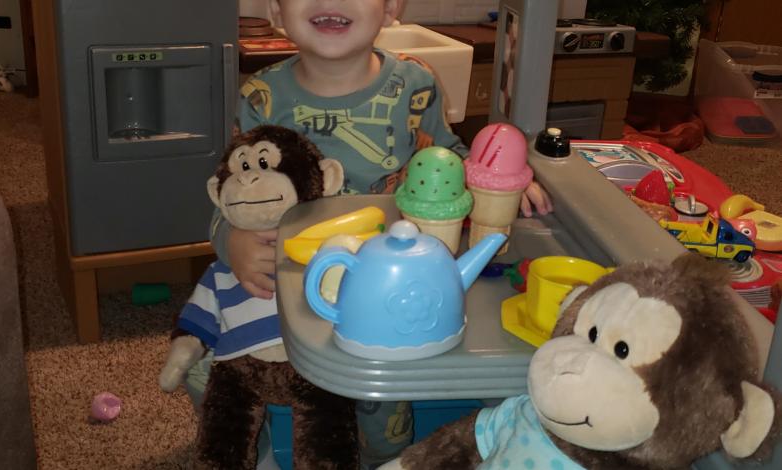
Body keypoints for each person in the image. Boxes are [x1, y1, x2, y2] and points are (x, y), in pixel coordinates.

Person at [192, 0, 554, 468]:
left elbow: (450, 157)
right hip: (294, 285)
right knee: (212, 377)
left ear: (390, 8)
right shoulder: (261, 94)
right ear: (277, 12)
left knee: (385, 411)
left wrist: (500, 176)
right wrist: (231, 241)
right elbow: (230, 189)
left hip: (390, 288)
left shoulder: (415, 85)